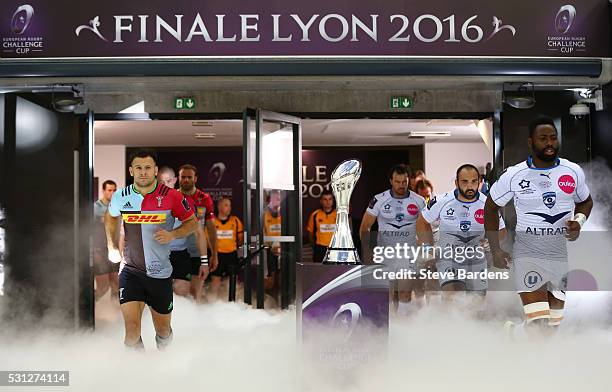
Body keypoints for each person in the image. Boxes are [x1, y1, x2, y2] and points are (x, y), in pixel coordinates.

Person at [484, 116, 593, 336]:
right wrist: (495, 249)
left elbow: (585, 201)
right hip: (528, 253)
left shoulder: (572, 171)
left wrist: (578, 222)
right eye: (543, 138)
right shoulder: (514, 175)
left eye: (553, 138)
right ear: (530, 142)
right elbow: (490, 208)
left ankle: (511, 335)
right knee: (539, 324)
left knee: (551, 328)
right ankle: (531, 366)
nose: (549, 143)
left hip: (559, 254)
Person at [105, 149, 198, 350]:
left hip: (160, 275)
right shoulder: (122, 196)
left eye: (148, 168)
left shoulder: (171, 196)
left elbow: (192, 223)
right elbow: (111, 216)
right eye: (138, 168)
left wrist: (173, 234)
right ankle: (140, 373)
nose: (143, 172)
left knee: (163, 331)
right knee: (131, 331)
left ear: (155, 171)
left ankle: (165, 364)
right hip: (130, 271)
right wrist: (111, 245)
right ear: (131, 171)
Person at [417, 164, 507, 306]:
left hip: (476, 261)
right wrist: (428, 252)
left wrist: (491, 242)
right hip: (448, 259)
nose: (470, 186)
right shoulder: (442, 201)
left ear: (479, 182)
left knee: (476, 308)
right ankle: (445, 326)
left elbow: (502, 230)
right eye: (465, 182)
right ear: (457, 183)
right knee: (452, 298)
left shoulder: (488, 205)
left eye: (474, 181)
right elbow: (422, 222)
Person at [360, 164, 426, 315]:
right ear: (391, 181)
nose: (401, 185)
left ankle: (402, 328)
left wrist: (426, 252)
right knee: (388, 294)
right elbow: (365, 227)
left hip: (408, 253)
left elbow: (425, 228)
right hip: (385, 253)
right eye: (397, 182)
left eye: (404, 182)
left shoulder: (419, 201)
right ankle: (387, 329)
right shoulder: (378, 199)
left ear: (409, 181)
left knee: (404, 292)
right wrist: (368, 251)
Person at [170, 164, 218, 302]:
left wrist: (214, 254)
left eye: (189, 177)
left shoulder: (204, 198)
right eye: (183, 177)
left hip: (198, 251)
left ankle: (194, 321)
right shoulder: (173, 197)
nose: (185, 180)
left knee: (195, 293)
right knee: (179, 292)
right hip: (177, 251)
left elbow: (211, 228)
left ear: (195, 178)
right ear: (178, 178)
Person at [210, 197, 244, 300]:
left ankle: (231, 303)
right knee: (215, 281)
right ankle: (212, 302)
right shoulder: (212, 222)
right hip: (217, 255)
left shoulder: (236, 221)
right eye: (226, 205)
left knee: (231, 281)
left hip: (231, 255)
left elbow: (240, 240)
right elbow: (208, 241)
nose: (229, 208)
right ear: (219, 206)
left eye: (229, 205)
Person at [93, 180, 119, 301]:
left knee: (116, 284)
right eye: (109, 190)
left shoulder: (117, 207)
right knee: (103, 287)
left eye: (114, 190)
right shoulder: (96, 208)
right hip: (99, 250)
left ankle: (115, 315)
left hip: (113, 250)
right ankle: (86, 309)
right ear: (103, 191)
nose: (112, 193)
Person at [306, 190, 337, 263]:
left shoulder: (338, 214)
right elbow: (310, 233)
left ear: (333, 201)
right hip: (319, 249)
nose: (328, 202)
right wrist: (315, 247)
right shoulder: (315, 215)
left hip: (334, 248)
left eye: (330, 199)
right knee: (318, 272)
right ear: (321, 201)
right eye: (325, 199)